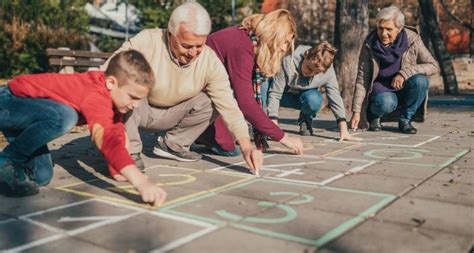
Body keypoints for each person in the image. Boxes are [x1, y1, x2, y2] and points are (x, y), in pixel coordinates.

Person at [101, 2, 262, 173]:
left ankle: (173, 145)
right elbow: (108, 71)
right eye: (186, 46)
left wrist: (246, 146)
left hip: (172, 113)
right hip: (137, 108)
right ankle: (129, 152)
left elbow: (229, 105)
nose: (192, 53)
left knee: (210, 101)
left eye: (199, 46)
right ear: (170, 35)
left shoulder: (209, 60)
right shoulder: (148, 40)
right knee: (125, 87)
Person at [0, 50, 166, 206]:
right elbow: (106, 139)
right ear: (111, 83)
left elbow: (115, 132)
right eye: (133, 97)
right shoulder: (95, 94)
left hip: (27, 116)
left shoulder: (112, 97)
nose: (136, 105)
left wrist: (117, 169)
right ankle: (7, 160)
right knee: (65, 117)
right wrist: (140, 182)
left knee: (41, 176)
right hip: (9, 103)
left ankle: (11, 163)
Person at [197, 9, 304, 156]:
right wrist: (284, 138)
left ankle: (199, 130)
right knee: (229, 149)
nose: (284, 48)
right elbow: (246, 103)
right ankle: (193, 131)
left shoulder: (251, 40)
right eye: (284, 41)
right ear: (272, 33)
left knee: (233, 139)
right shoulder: (242, 45)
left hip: (209, 90)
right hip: (196, 94)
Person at [350, 6, 439, 134]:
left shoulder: (412, 39)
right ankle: (374, 115)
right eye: (380, 28)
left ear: (399, 29)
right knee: (386, 102)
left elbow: (433, 65)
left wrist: (405, 73)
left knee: (421, 81)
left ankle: (405, 120)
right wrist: (357, 112)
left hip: (403, 87)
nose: (383, 33)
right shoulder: (369, 44)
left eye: (389, 29)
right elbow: (362, 79)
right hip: (381, 90)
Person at [267, 41, 361, 142]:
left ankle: (305, 118)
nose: (310, 73)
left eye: (316, 72)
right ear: (306, 54)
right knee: (264, 86)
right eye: (309, 68)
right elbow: (275, 94)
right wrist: (273, 123)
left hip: (303, 98)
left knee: (314, 100)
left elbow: (334, 96)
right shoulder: (288, 60)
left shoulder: (327, 70)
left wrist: (344, 129)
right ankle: (259, 121)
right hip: (283, 95)